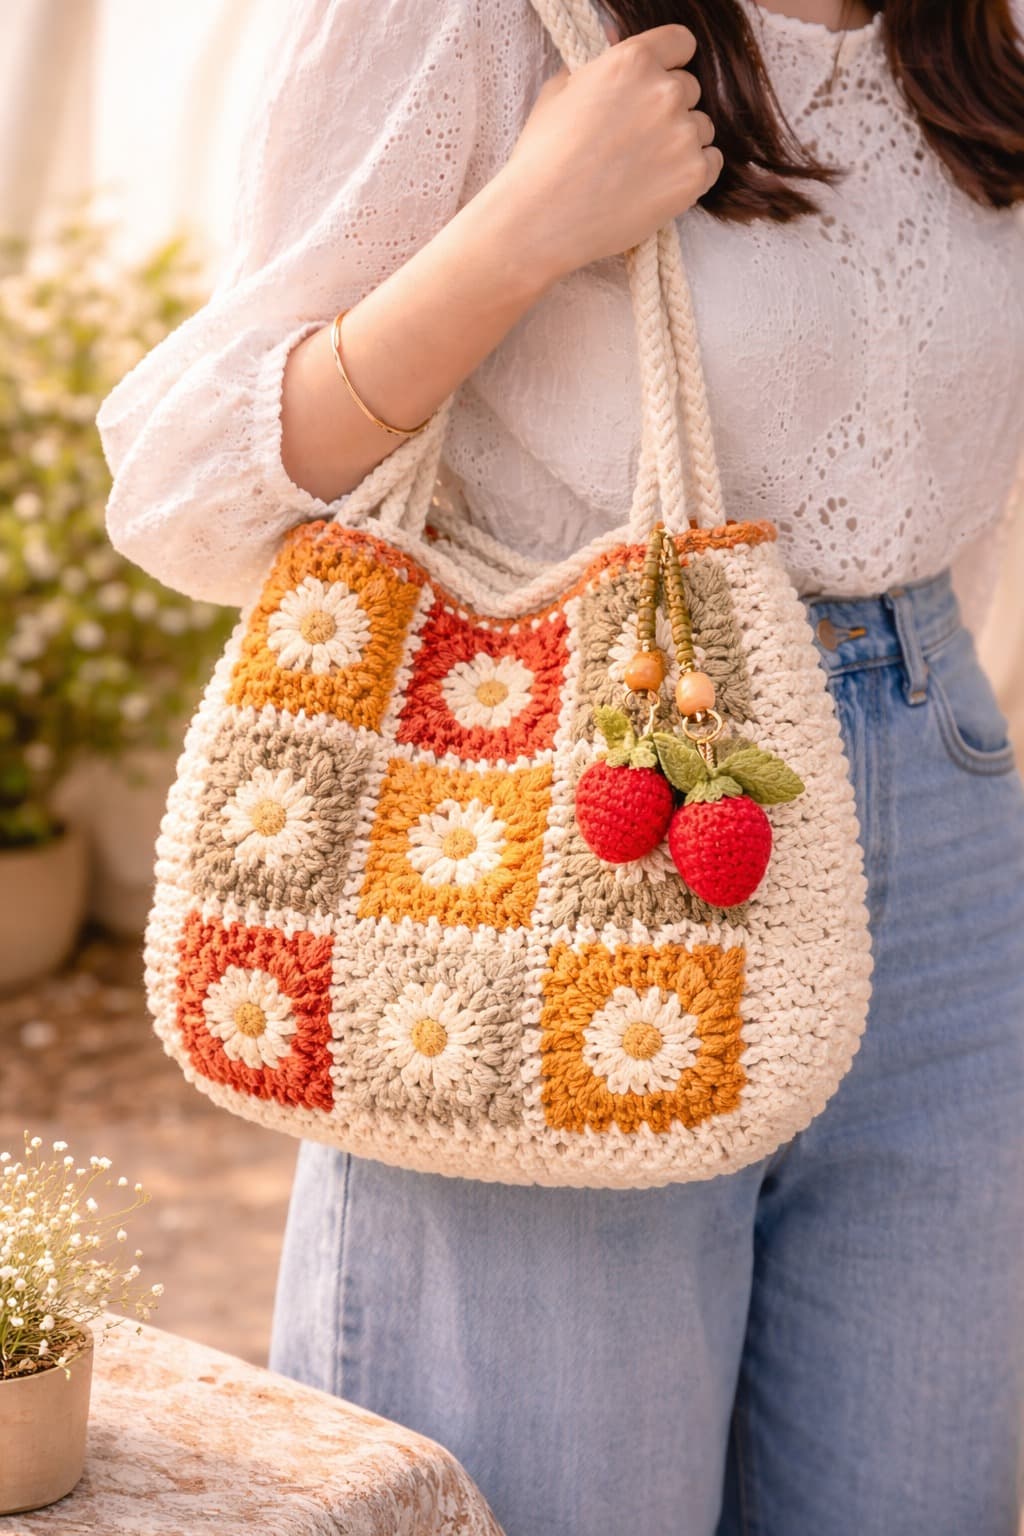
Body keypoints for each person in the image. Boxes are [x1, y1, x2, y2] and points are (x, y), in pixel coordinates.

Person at [97, 2, 1024, 1531]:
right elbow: (183, 490)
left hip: (943, 814)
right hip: (565, 832)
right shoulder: (476, 21)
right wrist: (520, 229)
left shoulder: (970, 38)